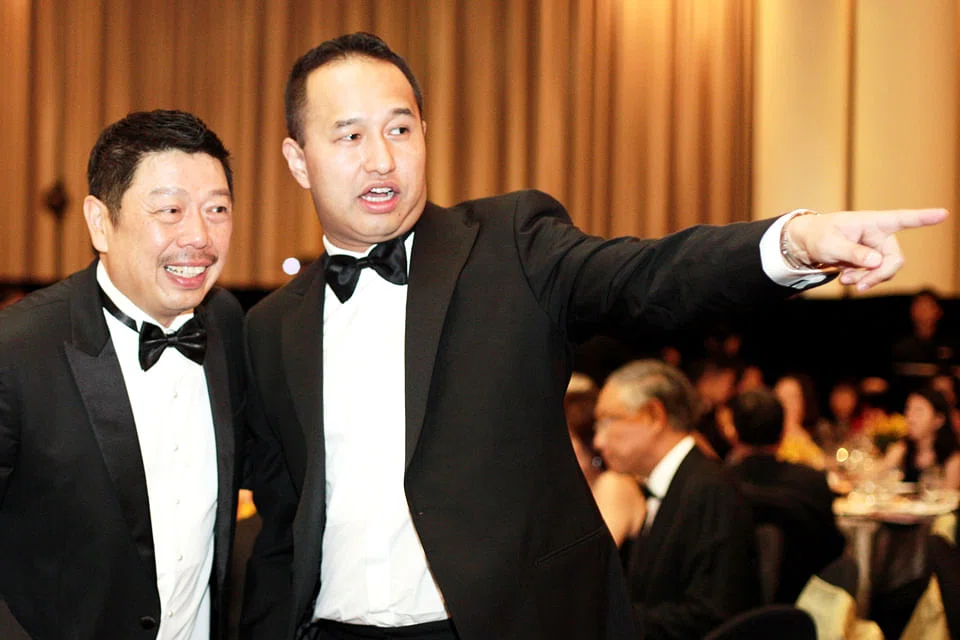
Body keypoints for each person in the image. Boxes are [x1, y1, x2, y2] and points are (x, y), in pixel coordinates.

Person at [239, 32, 947, 640]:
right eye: (350, 136)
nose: (381, 159)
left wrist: (793, 243)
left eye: (399, 129)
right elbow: (282, 527)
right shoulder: (271, 329)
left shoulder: (508, 247)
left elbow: (648, 275)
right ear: (298, 159)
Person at [0, 110, 246, 639]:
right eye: (170, 210)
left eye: (217, 209)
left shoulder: (228, 325)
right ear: (100, 222)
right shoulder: (17, 351)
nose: (199, 236)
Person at [593, 360, 760, 639]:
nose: (599, 441)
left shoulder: (710, 489)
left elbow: (712, 615)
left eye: (608, 421)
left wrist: (606, 622)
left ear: (653, 416)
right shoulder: (675, 483)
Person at [727, 389, 844, 603]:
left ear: (733, 433)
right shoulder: (812, 482)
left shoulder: (720, 485)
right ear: (783, 433)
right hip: (806, 606)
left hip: (736, 609)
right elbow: (834, 551)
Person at [565, 373, 646, 547]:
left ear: (589, 441)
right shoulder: (585, 490)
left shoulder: (613, 484)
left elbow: (589, 557)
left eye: (565, 438)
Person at [885, 386, 960, 490]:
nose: (910, 418)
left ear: (938, 420)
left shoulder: (952, 459)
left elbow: (949, 496)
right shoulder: (902, 449)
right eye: (908, 409)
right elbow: (877, 477)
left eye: (919, 411)